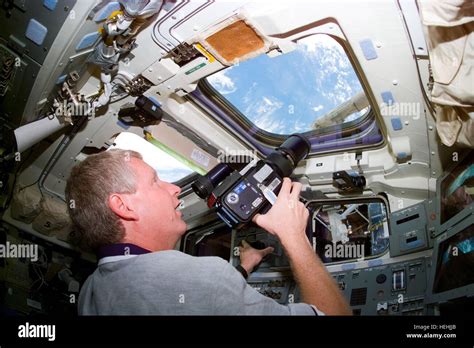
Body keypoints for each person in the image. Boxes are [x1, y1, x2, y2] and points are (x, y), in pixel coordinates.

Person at [65, 149, 351, 315]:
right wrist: (293, 236)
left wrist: (243, 269)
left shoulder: (93, 289)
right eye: (156, 181)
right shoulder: (198, 278)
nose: (175, 188)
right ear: (123, 206)